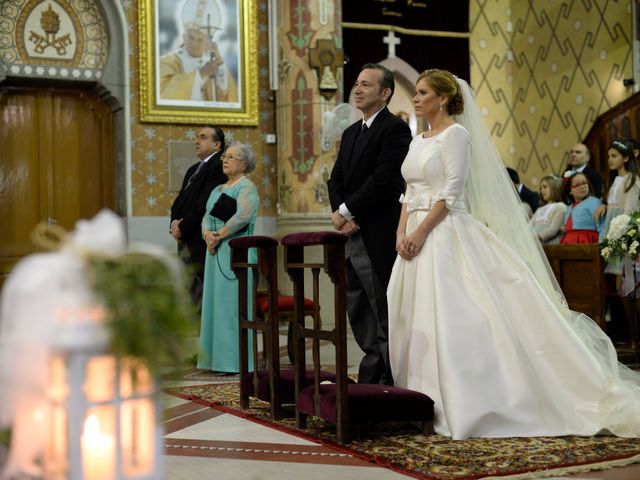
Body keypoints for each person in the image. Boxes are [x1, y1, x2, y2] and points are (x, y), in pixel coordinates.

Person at [387, 68, 640, 440]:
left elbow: (452, 192)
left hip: (443, 233)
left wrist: (422, 232)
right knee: (413, 313)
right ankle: (420, 398)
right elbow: (409, 192)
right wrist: (401, 231)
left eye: (423, 92)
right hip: (410, 238)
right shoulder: (418, 139)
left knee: (458, 315)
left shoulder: (456, 135)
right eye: (417, 92)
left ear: (442, 99)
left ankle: (467, 401)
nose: (416, 97)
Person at [327, 63, 412, 385]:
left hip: (376, 231)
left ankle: (391, 375)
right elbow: (335, 179)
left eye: (366, 85)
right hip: (350, 233)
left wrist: (347, 211)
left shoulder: (394, 130)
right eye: (357, 84)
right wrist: (339, 212)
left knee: (381, 307)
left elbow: (384, 180)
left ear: (385, 93)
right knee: (357, 305)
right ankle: (371, 369)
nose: (358, 90)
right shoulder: (351, 132)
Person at [198, 142, 259, 372]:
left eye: (231, 157)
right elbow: (206, 216)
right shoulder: (217, 189)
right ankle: (213, 360)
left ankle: (234, 361)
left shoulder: (247, 188)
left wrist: (219, 236)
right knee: (215, 305)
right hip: (214, 252)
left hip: (236, 250)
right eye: (224, 156)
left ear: (244, 163)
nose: (225, 160)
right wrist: (207, 236)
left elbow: (243, 216)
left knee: (232, 306)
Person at [170, 125, 227, 307]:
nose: (196, 141)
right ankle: (193, 326)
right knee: (188, 283)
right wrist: (173, 223)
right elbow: (180, 201)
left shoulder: (218, 165)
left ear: (217, 144)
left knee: (200, 285)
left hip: (198, 236)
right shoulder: (194, 168)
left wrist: (183, 228)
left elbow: (203, 203)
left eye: (203, 137)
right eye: (197, 137)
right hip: (185, 234)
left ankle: (201, 328)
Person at [594, 140, 640, 346]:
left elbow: (629, 212)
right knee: (619, 288)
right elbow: (614, 204)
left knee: (627, 285)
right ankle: (627, 334)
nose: (610, 160)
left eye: (614, 156)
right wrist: (604, 204)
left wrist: (620, 239)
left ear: (626, 158)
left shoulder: (633, 179)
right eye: (609, 156)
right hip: (611, 235)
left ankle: (634, 336)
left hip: (624, 237)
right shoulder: (614, 181)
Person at [159, 0, 238, 103]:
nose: (194, 43)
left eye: (200, 40)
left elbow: (226, 97)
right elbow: (162, 92)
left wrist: (219, 63)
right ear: (183, 37)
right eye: (190, 37)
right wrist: (201, 74)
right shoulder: (168, 62)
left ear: (207, 43)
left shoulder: (211, 63)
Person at [559, 172, 603, 244]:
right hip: (568, 241)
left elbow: (601, 225)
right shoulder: (569, 207)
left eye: (584, 183)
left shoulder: (594, 202)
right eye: (577, 185)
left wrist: (601, 243)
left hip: (586, 241)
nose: (583, 186)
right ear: (570, 191)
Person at [531, 174, 565, 244]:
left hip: (547, 244)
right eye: (540, 188)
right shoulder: (539, 209)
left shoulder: (560, 206)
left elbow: (553, 229)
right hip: (533, 243)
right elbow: (529, 227)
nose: (542, 191)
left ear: (554, 187)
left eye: (545, 187)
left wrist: (539, 238)